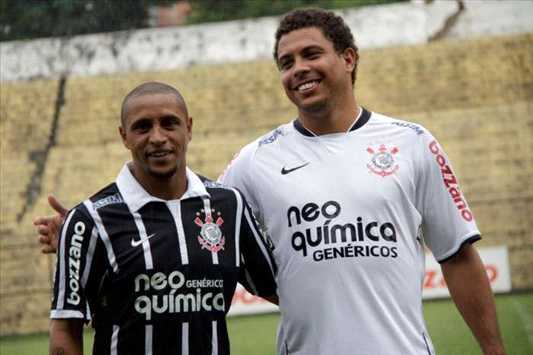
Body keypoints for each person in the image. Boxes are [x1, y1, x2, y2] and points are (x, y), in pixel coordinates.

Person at [36, 8, 506, 355]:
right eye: (286, 61)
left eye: (311, 54)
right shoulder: (254, 162)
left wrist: (493, 350)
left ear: (348, 58)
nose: (298, 68)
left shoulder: (412, 143)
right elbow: (190, 222)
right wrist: (89, 231)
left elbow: (458, 255)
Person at [41, 81, 277, 355]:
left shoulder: (229, 205)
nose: (157, 137)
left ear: (188, 128)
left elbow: (277, 288)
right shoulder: (88, 222)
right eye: (142, 127)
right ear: (124, 136)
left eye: (169, 123)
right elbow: (63, 335)